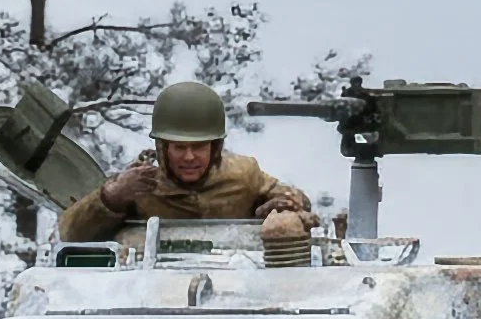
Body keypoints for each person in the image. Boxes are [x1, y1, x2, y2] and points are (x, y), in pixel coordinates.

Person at [56, 82, 315, 242]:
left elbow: (295, 200)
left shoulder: (244, 173)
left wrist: (283, 205)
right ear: (162, 147)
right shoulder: (137, 185)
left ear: (215, 147)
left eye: (199, 147)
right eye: (179, 147)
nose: (189, 157)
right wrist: (112, 197)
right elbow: (70, 234)